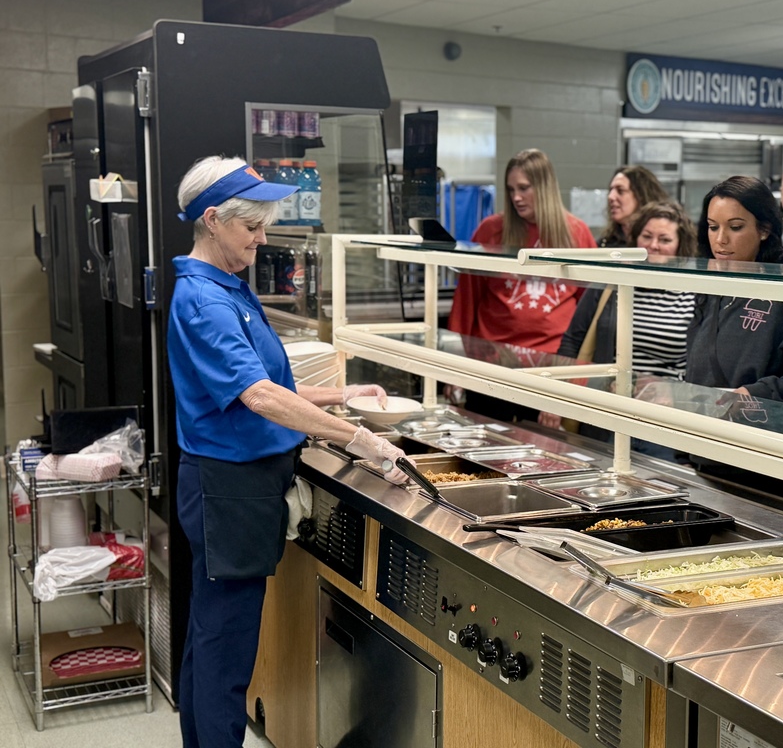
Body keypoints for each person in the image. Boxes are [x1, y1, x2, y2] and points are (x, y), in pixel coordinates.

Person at [167, 156, 411, 748]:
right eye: (251, 226)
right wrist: (359, 437)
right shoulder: (206, 301)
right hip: (230, 490)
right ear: (212, 219)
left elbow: (270, 382)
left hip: (233, 487)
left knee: (210, 639)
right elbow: (258, 396)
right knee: (225, 656)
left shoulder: (226, 288)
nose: (262, 238)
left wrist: (341, 395)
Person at [686, 175, 783, 509]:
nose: (721, 240)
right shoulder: (714, 284)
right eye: (713, 227)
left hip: (778, 468)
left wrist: (756, 395)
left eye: (735, 227)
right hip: (716, 457)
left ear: (764, 229)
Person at [538, 201, 698, 460]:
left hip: (665, 423)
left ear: (681, 246)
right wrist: (554, 396)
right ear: (634, 239)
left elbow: (703, 366)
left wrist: (673, 388)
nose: (653, 245)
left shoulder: (694, 294)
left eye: (665, 239)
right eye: (646, 236)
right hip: (608, 414)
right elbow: (572, 341)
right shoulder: (612, 284)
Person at [448, 148, 596, 422]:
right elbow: (466, 302)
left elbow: (588, 318)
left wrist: (574, 382)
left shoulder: (577, 234)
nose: (516, 197)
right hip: (493, 367)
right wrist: (454, 368)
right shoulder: (491, 230)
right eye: (511, 189)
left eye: (524, 188)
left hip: (550, 370)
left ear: (544, 187)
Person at [599, 165, 670, 247]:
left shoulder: (657, 244)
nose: (611, 197)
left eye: (620, 191)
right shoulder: (604, 245)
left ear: (640, 195)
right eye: (611, 191)